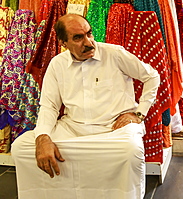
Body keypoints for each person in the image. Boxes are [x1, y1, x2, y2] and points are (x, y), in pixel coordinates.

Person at [11, 13, 160, 199]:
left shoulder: (114, 53)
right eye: (78, 38)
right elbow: (49, 106)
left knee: (130, 150)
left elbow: (152, 76)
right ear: (63, 43)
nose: (89, 42)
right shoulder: (57, 65)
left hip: (114, 129)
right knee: (21, 147)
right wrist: (43, 137)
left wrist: (139, 114)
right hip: (73, 128)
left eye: (89, 34)